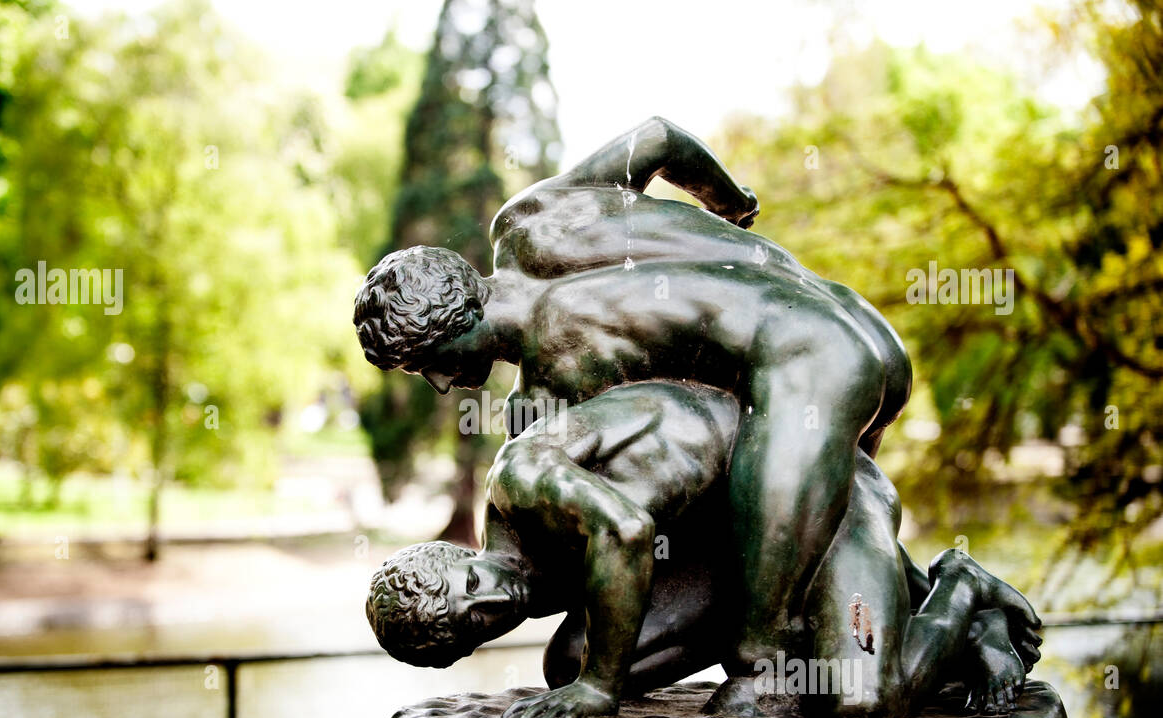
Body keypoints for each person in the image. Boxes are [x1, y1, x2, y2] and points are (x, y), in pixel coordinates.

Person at [354, 115, 914, 665]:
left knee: (760, 646)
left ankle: (812, 660)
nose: (442, 383)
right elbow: (658, 139)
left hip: (813, 370)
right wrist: (732, 204)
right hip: (853, 321)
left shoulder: (552, 390)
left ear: (456, 321)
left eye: (428, 363)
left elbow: (623, 519)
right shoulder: (529, 219)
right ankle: (950, 616)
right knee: (831, 559)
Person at [365, 381, 1040, 718]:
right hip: (741, 557)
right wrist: (587, 674)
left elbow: (626, 530)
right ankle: (851, 630)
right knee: (568, 659)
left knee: (858, 703)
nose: (494, 604)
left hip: (801, 487)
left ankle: (960, 588)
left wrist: (599, 688)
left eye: (472, 585)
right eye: (477, 625)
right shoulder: (527, 579)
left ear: (456, 553)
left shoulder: (522, 483)